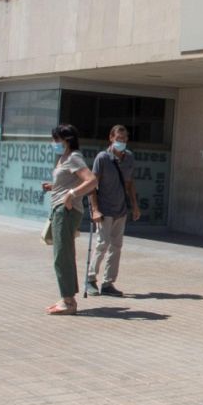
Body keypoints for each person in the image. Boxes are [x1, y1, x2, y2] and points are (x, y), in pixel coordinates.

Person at [40, 124, 98, 315]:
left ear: (67, 140)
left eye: (57, 139)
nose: (54, 143)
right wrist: (53, 187)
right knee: (61, 254)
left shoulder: (74, 157)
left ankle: (69, 301)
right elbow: (68, 181)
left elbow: (91, 180)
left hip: (66, 211)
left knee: (62, 256)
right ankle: (66, 296)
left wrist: (71, 194)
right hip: (59, 209)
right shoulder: (63, 158)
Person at [86, 124, 141, 297]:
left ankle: (108, 283)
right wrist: (95, 209)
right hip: (104, 209)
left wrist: (135, 205)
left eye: (124, 139)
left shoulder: (129, 158)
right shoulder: (102, 158)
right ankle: (90, 278)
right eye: (118, 139)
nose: (121, 142)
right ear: (111, 138)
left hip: (121, 209)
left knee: (116, 246)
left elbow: (130, 183)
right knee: (102, 244)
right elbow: (92, 185)